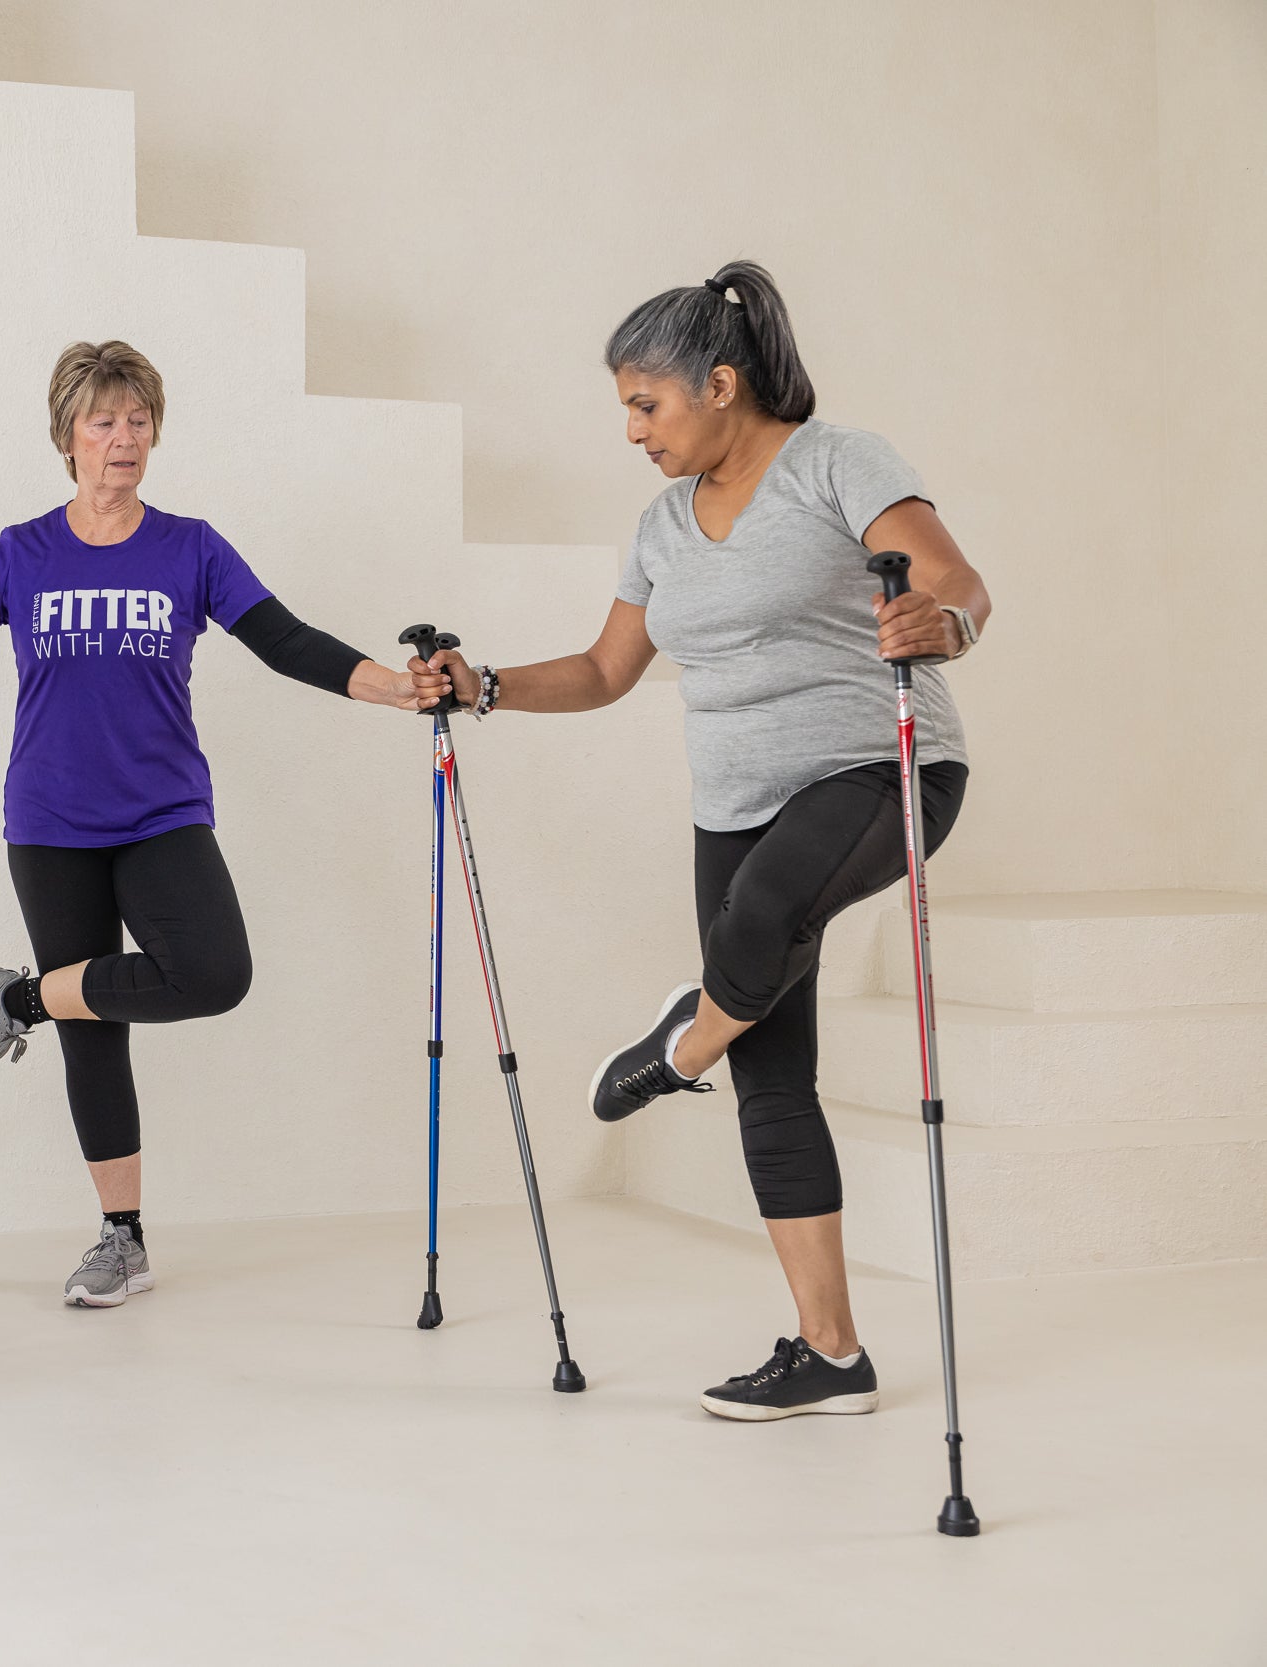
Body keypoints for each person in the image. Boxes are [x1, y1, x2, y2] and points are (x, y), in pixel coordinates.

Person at [417, 261, 990, 1421]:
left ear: (720, 385)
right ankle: (830, 1352)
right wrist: (481, 685)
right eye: (626, 407)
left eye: (646, 404)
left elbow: (954, 578)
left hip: (880, 767)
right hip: (731, 804)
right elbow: (601, 670)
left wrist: (950, 621)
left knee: (759, 925)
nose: (631, 430)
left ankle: (682, 1045)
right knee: (772, 1077)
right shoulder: (661, 524)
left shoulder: (837, 462)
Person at [0, 339, 440, 1309]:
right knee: (99, 1030)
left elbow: (281, 639)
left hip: (161, 813)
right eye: (102, 421)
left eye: (137, 419)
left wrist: (391, 690)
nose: (122, 439)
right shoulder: (22, 551)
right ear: (67, 436)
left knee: (212, 972)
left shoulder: (189, 546)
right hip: (48, 818)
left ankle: (15, 1000)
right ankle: (122, 1236)